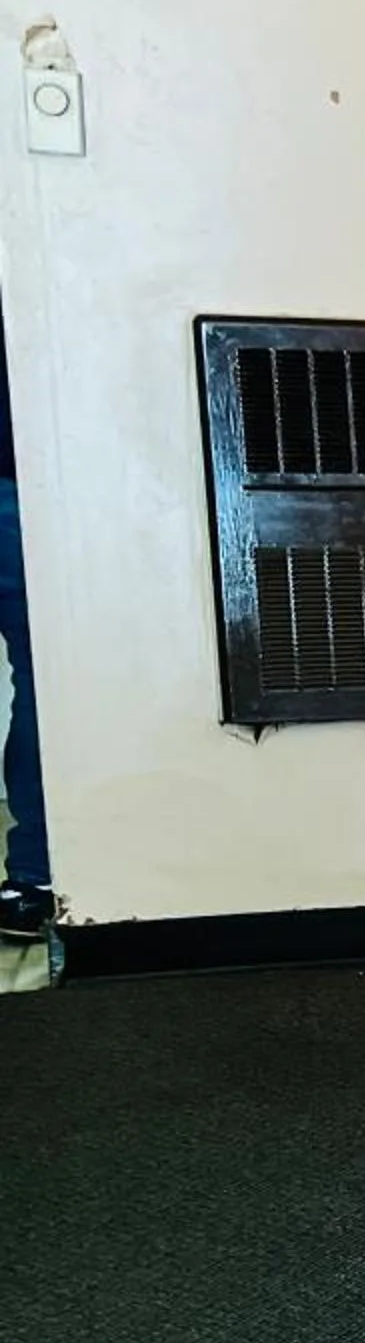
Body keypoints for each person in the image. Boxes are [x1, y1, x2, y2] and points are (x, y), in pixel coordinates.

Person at [0, 325, 48, 942]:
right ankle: (35, 878)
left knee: (46, 688)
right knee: (47, 686)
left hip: (23, 480)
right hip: (24, 482)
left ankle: (35, 877)